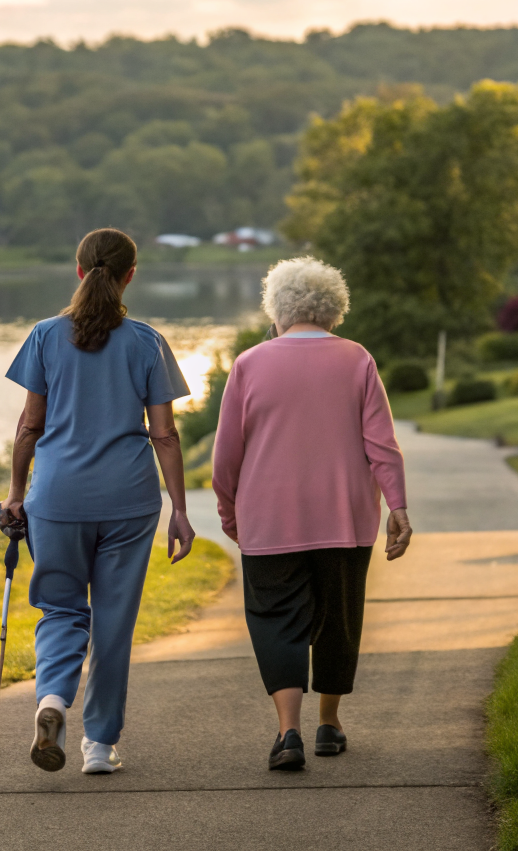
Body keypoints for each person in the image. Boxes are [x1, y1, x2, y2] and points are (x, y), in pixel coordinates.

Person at [0, 227, 195, 775]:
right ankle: (99, 746)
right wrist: (179, 510)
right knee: (112, 621)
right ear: (131, 274)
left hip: (57, 498)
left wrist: (17, 493)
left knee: (62, 609)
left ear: (79, 271)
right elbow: (165, 435)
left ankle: (53, 702)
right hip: (129, 501)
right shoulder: (146, 341)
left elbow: (29, 425)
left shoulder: (43, 335)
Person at [212, 256, 411, 771]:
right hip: (344, 518)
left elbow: (226, 452)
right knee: (338, 619)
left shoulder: (249, 364)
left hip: (269, 518)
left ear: (276, 309)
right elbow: (382, 446)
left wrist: (227, 509)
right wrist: (398, 506)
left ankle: (288, 733)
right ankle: (329, 723)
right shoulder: (357, 359)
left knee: (275, 619)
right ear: (332, 310)